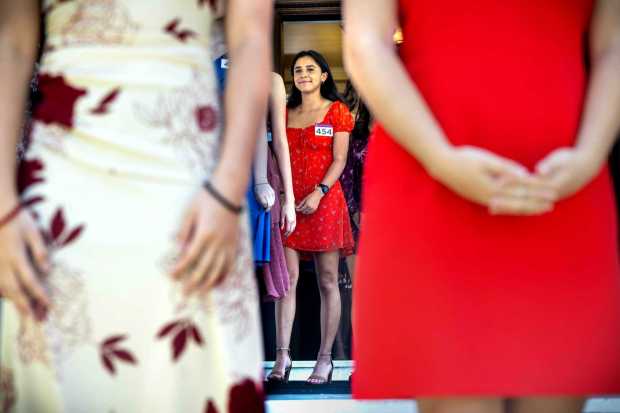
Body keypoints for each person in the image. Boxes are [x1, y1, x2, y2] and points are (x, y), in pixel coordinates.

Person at [344, 1, 620, 412]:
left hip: (562, 188)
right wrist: (439, 156)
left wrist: (591, 152)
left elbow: (613, 42)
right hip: (431, 182)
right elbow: (365, 41)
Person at [0, 1, 272, 412]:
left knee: (193, 378)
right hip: (63, 184)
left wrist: (229, 189)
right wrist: (2, 206)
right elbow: (12, 41)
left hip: (194, 186)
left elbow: (251, 37)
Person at [267, 50, 354, 385]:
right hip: (290, 203)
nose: (303, 74)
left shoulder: (337, 111)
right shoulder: (284, 111)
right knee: (287, 281)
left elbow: (341, 159)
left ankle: (325, 358)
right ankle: (282, 356)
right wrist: (287, 197)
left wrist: (319, 192)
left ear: (323, 76)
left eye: (310, 69)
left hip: (324, 203)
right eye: (298, 70)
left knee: (327, 281)